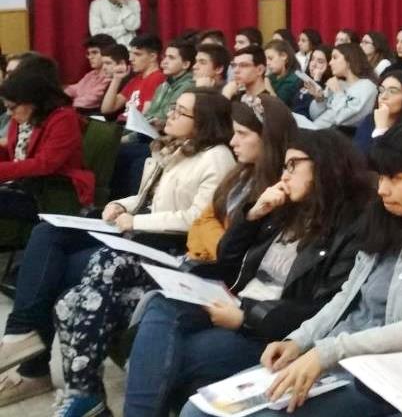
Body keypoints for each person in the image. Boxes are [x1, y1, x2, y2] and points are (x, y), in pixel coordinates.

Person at [180, 121, 402, 417]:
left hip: (395, 373)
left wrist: (328, 352)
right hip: (342, 355)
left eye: (396, 178)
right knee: (200, 409)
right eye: (382, 178)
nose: (383, 189)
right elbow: (347, 297)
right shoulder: (385, 217)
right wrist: (300, 340)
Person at [47, 97, 296, 415]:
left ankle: (91, 396)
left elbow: (214, 239)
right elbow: (207, 223)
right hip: (197, 261)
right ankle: (85, 394)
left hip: (205, 269)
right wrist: (126, 205)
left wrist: (238, 224)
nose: (233, 141)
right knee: (71, 302)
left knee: (112, 275)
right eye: (233, 132)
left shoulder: (253, 177)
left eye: (243, 134)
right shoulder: (239, 174)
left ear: (268, 138)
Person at [0, 88, 233, 407]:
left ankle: (74, 389)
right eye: (173, 109)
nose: (170, 115)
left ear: (203, 122)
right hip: (143, 235)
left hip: (174, 249)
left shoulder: (216, 157)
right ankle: (29, 342)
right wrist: (117, 206)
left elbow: (196, 218)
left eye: (180, 112)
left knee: (73, 289)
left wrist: (133, 223)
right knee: (48, 236)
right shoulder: (173, 148)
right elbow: (145, 199)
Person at [118, 128, 373, 417]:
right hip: (233, 300)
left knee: (172, 358)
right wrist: (252, 215)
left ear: (325, 165)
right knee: (160, 306)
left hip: (268, 330)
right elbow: (228, 260)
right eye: (284, 166)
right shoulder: (285, 210)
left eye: (293, 165)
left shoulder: (351, 229)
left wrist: (246, 318)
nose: (284, 175)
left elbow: (323, 307)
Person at [0, 68, 93, 216]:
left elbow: (45, 164)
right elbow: (15, 155)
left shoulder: (64, 118)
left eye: (12, 108)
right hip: (23, 184)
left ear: (32, 102)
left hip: (54, 189)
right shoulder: (21, 117)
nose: (9, 113)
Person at [307, 43, 378, 130]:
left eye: (335, 58)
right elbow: (315, 116)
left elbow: (342, 118)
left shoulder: (367, 86)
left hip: (340, 138)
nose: (330, 62)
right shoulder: (338, 83)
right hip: (317, 131)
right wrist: (320, 99)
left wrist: (338, 92)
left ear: (349, 60)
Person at [353, 70, 402, 154]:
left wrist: (380, 128)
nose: (383, 96)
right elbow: (356, 155)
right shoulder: (370, 120)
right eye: (381, 90)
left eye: (393, 91)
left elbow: (385, 162)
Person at [100, 34, 166, 117]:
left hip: (132, 127)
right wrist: (116, 79)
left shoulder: (157, 78)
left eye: (137, 54)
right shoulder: (136, 80)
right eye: (131, 54)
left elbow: (145, 118)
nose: (131, 59)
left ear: (153, 57)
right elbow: (106, 109)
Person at [144, 40, 196, 126]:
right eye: (165, 57)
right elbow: (150, 112)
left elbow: (165, 116)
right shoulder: (163, 86)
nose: (164, 62)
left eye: (171, 58)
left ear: (185, 64)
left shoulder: (188, 86)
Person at [65, 34, 117, 113]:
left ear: (108, 54)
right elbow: (74, 89)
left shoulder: (110, 77)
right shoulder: (90, 74)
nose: (90, 57)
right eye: (88, 53)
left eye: (94, 53)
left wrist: (68, 102)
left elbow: (87, 102)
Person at [292, 45, 332, 117]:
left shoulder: (329, 87)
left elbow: (311, 110)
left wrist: (317, 81)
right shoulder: (304, 80)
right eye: (312, 59)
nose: (313, 64)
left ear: (328, 66)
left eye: (320, 62)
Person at [263, 39, 302, 106]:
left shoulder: (294, 79)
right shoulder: (272, 76)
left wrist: (265, 78)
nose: (267, 63)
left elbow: (277, 106)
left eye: (270, 58)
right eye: (266, 59)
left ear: (284, 56)